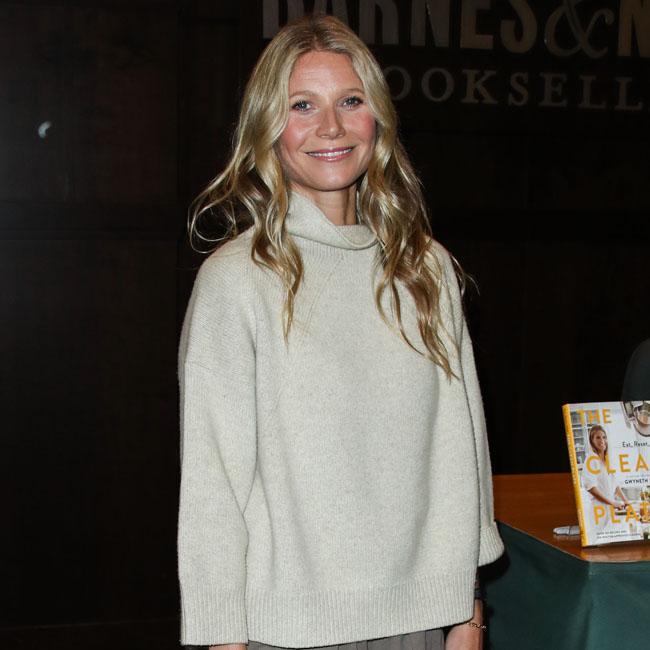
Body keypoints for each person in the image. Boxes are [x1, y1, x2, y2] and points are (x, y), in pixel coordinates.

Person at [177, 13, 505, 650]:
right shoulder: (237, 280)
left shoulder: (425, 267)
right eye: (303, 105)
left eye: (350, 101)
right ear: (269, 126)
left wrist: (468, 613)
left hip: (419, 620)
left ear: (377, 117)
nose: (330, 126)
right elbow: (213, 486)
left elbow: (462, 452)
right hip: (286, 630)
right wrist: (222, 638)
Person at [581, 424, 631, 533]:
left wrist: (626, 501)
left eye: (604, 437)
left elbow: (615, 484)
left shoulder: (607, 460)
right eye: (598, 438)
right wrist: (612, 503)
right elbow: (591, 488)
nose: (602, 440)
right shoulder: (591, 460)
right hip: (598, 510)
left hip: (610, 508)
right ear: (592, 441)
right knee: (599, 539)